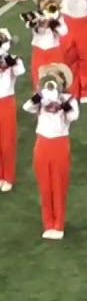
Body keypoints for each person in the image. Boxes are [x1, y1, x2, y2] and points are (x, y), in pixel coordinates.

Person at [23, 62, 77, 240]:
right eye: (50, 76)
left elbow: (73, 116)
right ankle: (48, 223)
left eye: (56, 76)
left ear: (62, 80)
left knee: (58, 185)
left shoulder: (70, 99)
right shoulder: (42, 97)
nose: (52, 79)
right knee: (44, 185)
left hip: (60, 143)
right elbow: (27, 107)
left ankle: (59, 224)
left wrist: (61, 100)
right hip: (42, 142)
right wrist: (40, 96)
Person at [0, 30, 26, 193]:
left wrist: (6, 57)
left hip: (6, 102)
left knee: (7, 142)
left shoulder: (14, 61)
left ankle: (8, 176)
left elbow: (20, 71)